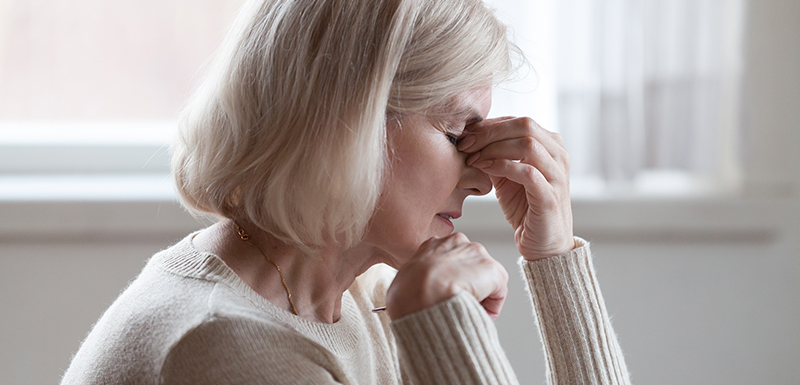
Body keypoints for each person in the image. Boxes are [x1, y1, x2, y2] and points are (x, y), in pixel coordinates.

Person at [61, 0, 631, 384]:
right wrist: (442, 332)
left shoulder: (359, 294)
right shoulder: (227, 348)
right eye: (457, 132)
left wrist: (554, 259)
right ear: (348, 126)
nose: (483, 177)